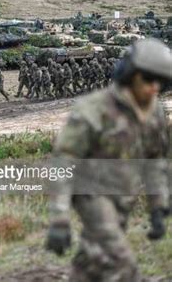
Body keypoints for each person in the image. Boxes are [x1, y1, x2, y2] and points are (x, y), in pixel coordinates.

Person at [46, 38, 172, 281]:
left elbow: (155, 158)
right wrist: (59, 218)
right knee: (122, 263)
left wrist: (157, 205)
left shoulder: (154, 111)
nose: (154, 88)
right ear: (129, 75)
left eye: (161, 83)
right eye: (147, 80)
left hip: (124, 194)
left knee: (93, 261)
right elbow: (63, 162)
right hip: (91, 193)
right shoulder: (93, 109)